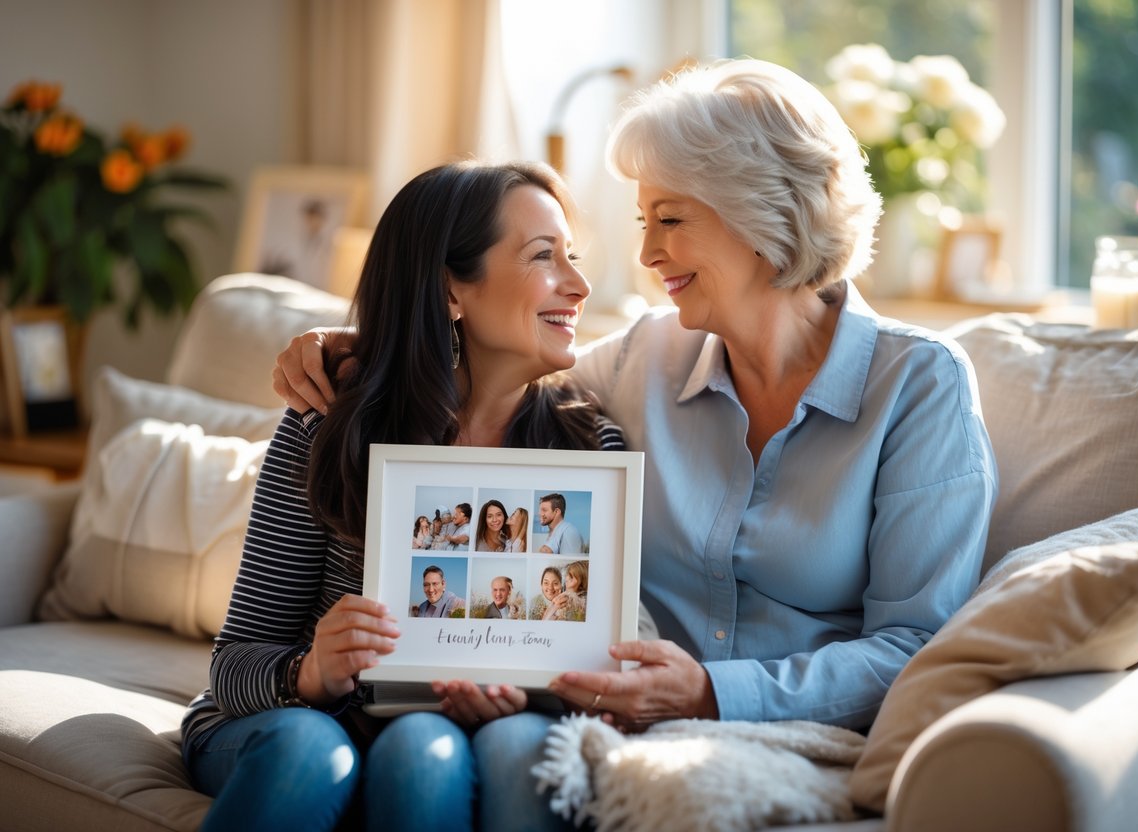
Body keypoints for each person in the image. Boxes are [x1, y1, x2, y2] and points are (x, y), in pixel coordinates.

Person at [276, 57, 996, 778]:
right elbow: (499, 368)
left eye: (670, 219)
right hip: (619, 731)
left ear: (761, 212)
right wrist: (365, 348)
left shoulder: (917, 385)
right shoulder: (640, 358)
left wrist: (712, 693)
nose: (647, 253)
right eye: (642, 220)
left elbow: (914, 645)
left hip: (801, 737)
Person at [182, 160, 627, 832]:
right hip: (301, 723)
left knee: (433, 752)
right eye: (544, 256)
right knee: (309, 749)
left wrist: (527, 699)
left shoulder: (592, 452)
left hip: (444, 739)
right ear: (451, 288)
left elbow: (601, 681)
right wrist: (311, 671)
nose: (579, 284)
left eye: (573, 256)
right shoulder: (329, 423)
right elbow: (234, 667)